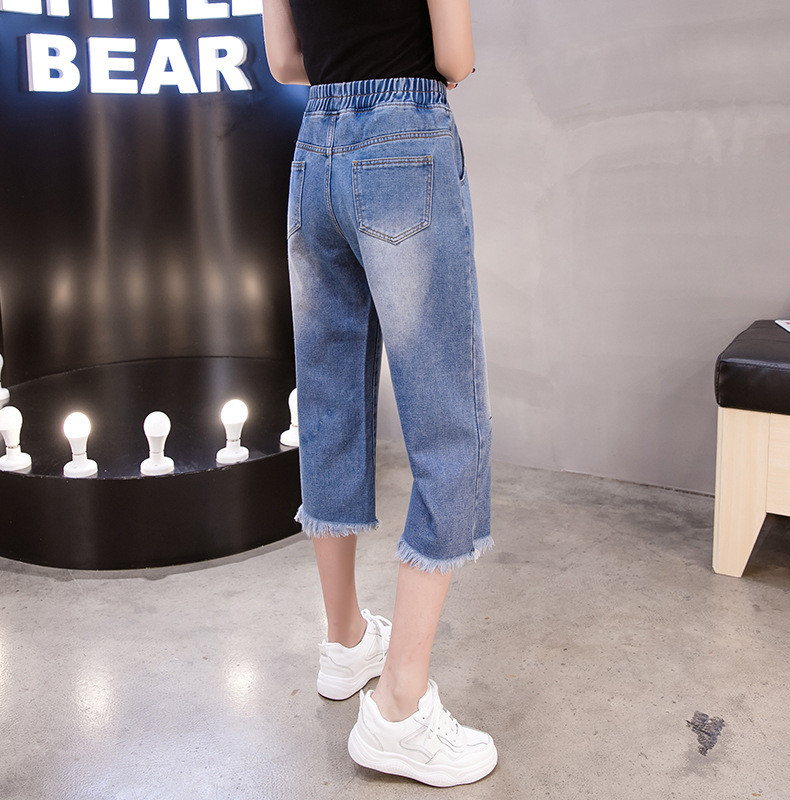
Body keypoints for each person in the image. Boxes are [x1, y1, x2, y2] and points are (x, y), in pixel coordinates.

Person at [261, 0, 496, 787]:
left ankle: (344, 639)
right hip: (404, 142)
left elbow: (285, 61)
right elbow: (454, 56)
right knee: (447, 425)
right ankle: (398, 705)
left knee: (329, 406)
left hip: (314, 150)